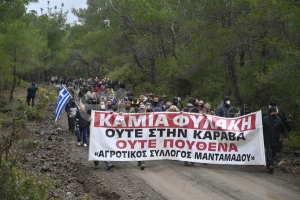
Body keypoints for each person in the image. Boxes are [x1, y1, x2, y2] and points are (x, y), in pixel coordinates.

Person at [263, 107, 289, 173]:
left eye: (275, 112)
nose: (274, 113)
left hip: (275, 139)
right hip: (267, 139)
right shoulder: (265, 119)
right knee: (269, 151)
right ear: (269, 113)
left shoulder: (279, 119)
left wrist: (286, 136)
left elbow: (284, 128)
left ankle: (268, 163)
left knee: (274, 153)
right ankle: (271, 165)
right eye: (272, 112)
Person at [137, 105, 147, 170]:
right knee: (139, 147)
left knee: (144, 147)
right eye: (141, 109)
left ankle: (142, 161)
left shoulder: (150, 115)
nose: (142, 110)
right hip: (138, 133)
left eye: (143, 109)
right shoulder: (136, 115)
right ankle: (140, 160)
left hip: (146, 134)